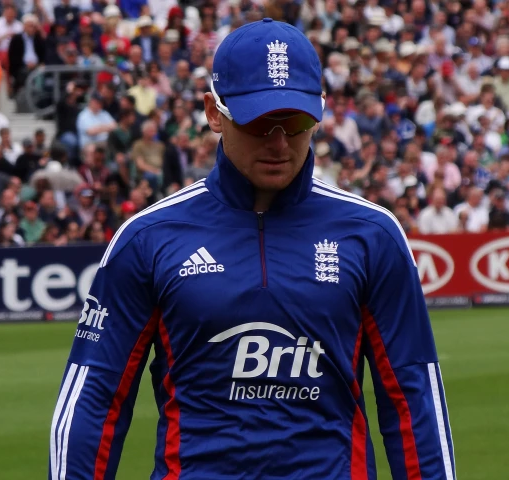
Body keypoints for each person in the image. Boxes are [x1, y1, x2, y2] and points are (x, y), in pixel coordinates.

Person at [49, 18, 455, 480]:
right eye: (260, 121)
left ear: (320, 110)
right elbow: (93, 399)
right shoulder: (147, 239)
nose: (279, 142)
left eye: (297, 121)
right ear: (213, 112)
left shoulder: (373, 234)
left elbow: (413, 399)